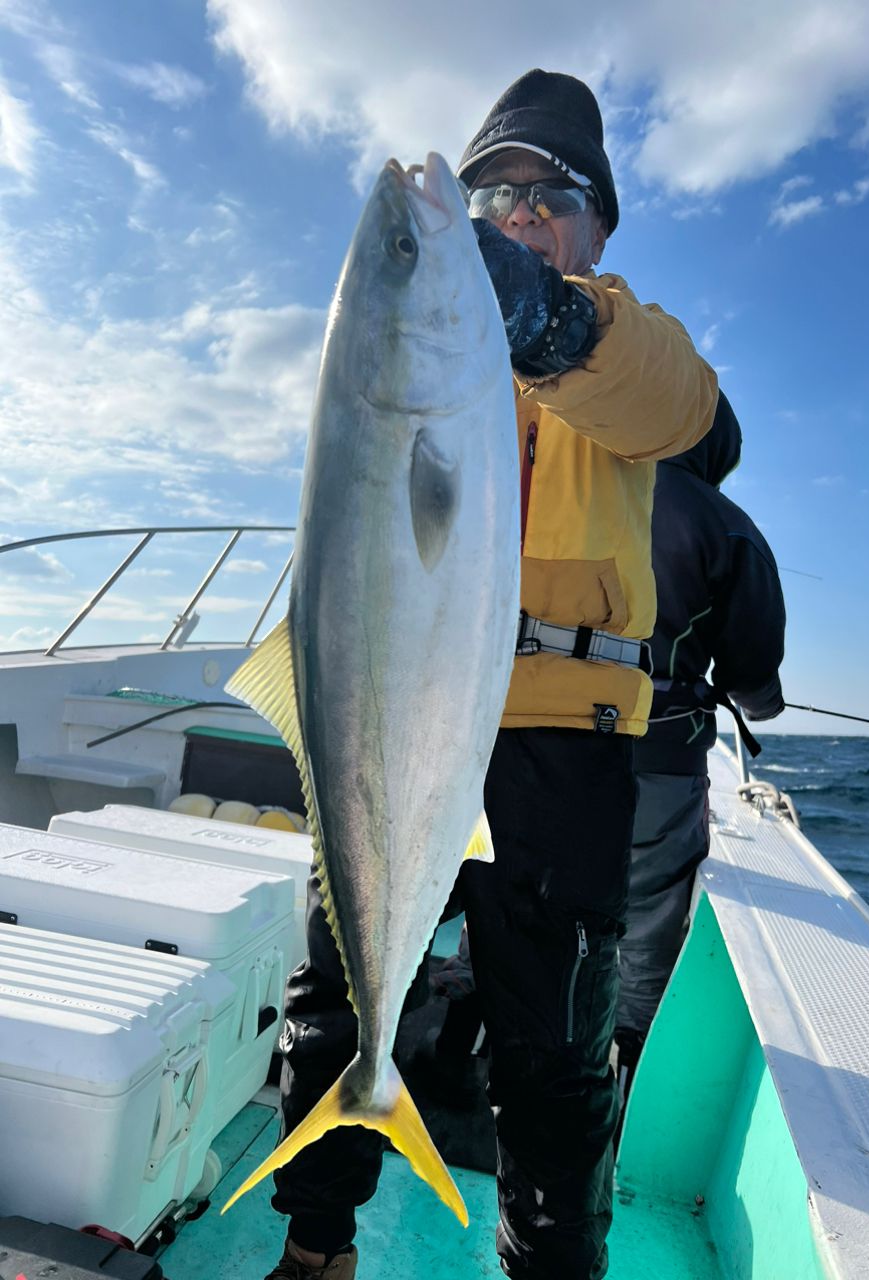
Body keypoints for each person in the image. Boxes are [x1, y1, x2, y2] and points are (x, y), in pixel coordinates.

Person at [265, 68, 718, 1280]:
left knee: (553, 1059)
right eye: (492, 192)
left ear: (597, 224)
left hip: (563, 742)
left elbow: (696, 418)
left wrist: (554, 322)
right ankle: (317, 1247)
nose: (516, 215)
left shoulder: (626, 345)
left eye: (548, 193)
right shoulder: (421, 363)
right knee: (333, 1001)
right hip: (391, 721)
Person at [614, 391, 786, 1110]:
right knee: (647, 925)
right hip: (659, 760)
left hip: (540, 741)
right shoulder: (729, 528)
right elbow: (755, 688)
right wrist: (757, 698)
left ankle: (458, 1028)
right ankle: (624, 1091)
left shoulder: (589, 486)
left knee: (524, 887)